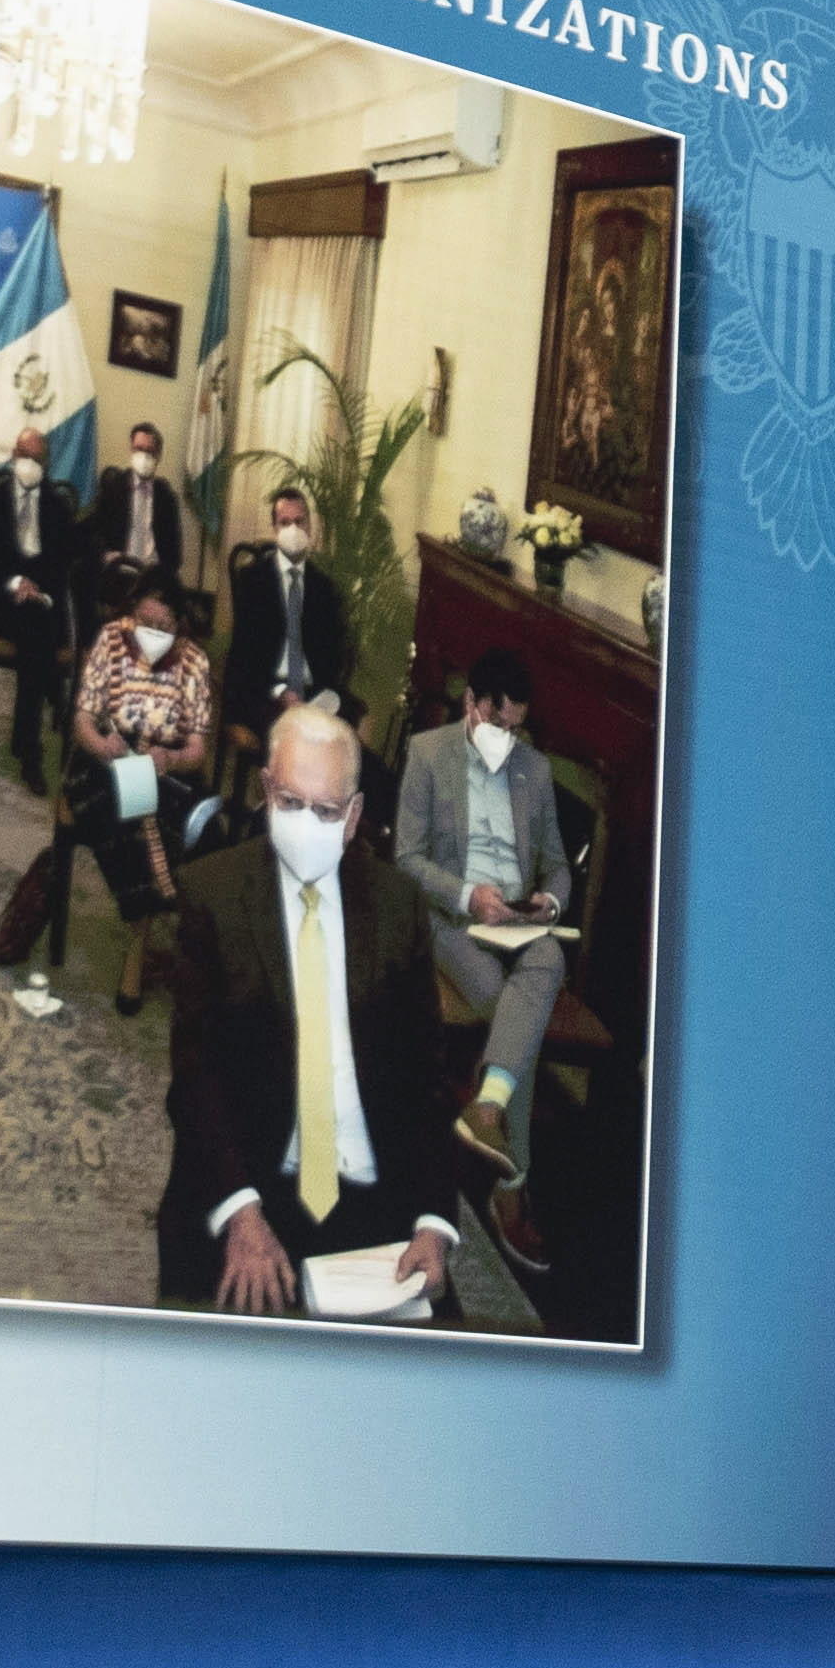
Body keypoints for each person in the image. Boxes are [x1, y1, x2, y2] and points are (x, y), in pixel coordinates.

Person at [155, 704, 460, 1320]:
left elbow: (426, 1076)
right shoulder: (212, 893)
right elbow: (195, 1074)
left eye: (325, 811)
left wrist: (433, 1221)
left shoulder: (399, 906)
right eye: (290, 802)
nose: (305, 824)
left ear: (354, 816)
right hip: (254, 1181)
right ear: (266, 789)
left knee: (427, 1364)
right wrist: (241, 1213)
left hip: (375, 1192)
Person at [393, 652, 573, 1271]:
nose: (507, 739)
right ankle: (511, 1184)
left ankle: (487, 1106)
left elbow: (557, 864)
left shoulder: (535, 770)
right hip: (451, 918)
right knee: (510, 1012)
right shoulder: (428, 754)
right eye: (498, 725)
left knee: (549, 958)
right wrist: (470, 896)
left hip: (517, 920)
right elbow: (407, 860)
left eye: (516, 729)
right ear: (471, 703)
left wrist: (548, 901)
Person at [0, 559, 209, 1007]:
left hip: (162, 767)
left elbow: (197, 750)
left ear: (179, 624)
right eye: (144, 622)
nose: (151, 632)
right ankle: (143, 928)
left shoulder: (193, 661)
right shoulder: (111, 640)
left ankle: (140, 929)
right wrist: (101, 744)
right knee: (129, 811)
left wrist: (170, 757)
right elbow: (81, 721)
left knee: (151, 811)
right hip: (101, 760)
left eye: (163, 626)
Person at [0, 424, 76, 794]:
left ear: (46, 464)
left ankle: (26, 740)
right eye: (22, 455)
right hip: (3, 599)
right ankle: (29, 745)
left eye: (36, 458)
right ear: (13, 456)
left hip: (42, 601)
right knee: (39, 636)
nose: (28, 463)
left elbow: (61, 563)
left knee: (38, 625)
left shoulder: (58, 507)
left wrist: (36, 588)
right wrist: (17, 583)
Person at [221, 482, 352, 721]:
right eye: (285, 522)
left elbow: (332, 655)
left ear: (309, 527)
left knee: (349, 730)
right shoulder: (253, 581)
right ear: (275, 529)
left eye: (299, 521)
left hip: (313, 696)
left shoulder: (325, 588)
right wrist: (280, 692)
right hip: (265, 693)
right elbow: (245, 656)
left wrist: (318, 695)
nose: (293, 529)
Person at [86, 416, 193, 619]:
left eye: (149, 451)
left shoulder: (166, 496)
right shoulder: (113, 488)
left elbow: (175, 553)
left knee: (173, 610)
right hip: (119, 571)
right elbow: (93, 533)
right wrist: (106, 553)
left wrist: (160, 575)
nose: (143, 456)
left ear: (158, 456)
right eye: (138, 449)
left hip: (153, 576)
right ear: (131, 450)